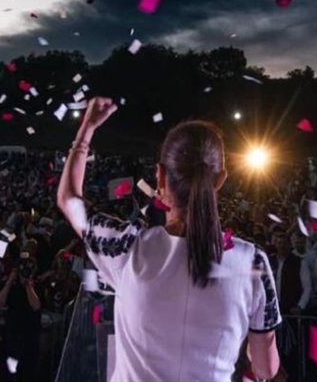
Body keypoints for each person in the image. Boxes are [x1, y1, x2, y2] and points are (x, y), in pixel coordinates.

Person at [56, 98, 280, 382]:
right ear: (221, 179)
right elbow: (266, 369)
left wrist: (86, 130)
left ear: (160, 176)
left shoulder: (126, 249)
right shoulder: (253, 264)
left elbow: (69, 200)